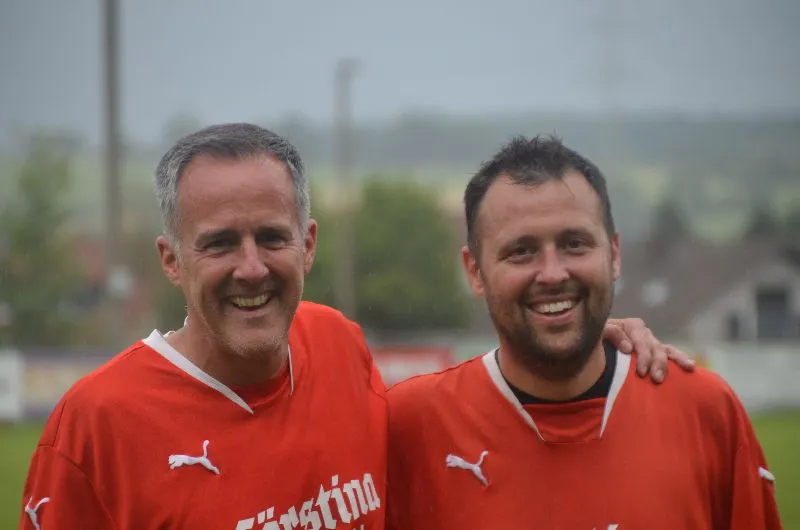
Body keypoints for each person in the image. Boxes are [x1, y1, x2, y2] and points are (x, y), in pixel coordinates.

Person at [19, 124, 692, 529]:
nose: (251, 268)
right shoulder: (95, 427)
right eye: (220, 243)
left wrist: (581, 334)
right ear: (171, 260)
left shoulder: (338, 345)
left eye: (272, 237)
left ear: (308, 244)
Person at [386, 136, 782, 529]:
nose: (553, 273)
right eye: (522, 251)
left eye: (575, 244)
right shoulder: (407, 428)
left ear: (614, 254)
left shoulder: (706, 413)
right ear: (475, 271)